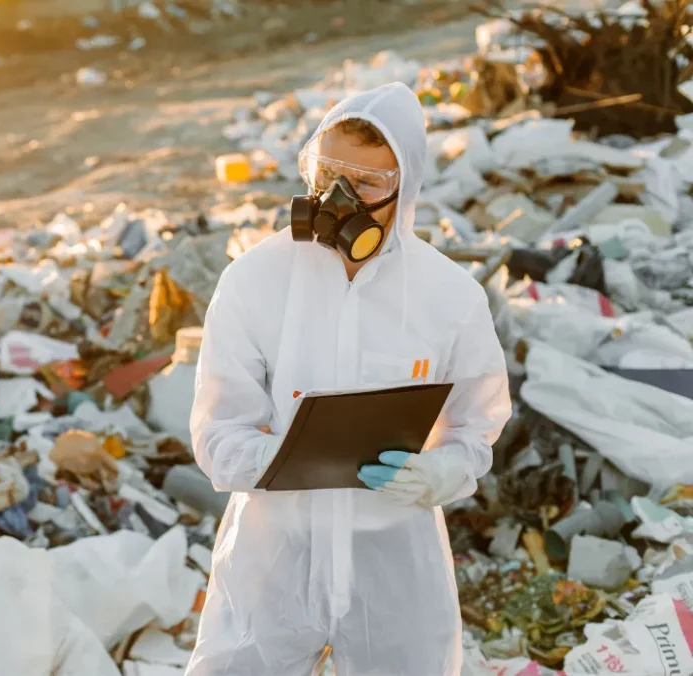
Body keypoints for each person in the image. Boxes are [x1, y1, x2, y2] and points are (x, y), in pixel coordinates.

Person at [185, 82, 511, 675]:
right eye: (328, 171)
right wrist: (290, 457)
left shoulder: (449, 297)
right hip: (270, 562)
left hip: (394, 567)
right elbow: (216, 436)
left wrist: (439, 472)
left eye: (367, 183)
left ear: (404, 189)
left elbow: (477, 427)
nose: (339, 195)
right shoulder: (255, 281)